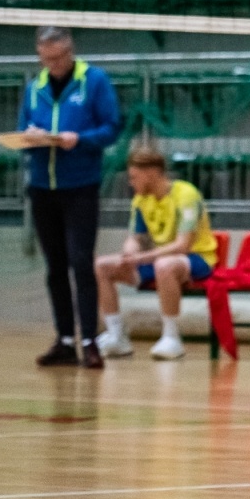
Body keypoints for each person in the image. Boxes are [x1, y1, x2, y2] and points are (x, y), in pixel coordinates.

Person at [21, 26, 122, 369]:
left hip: (80, 186)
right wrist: (31, 137)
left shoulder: (94, 80)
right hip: (41, 187)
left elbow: (112, 127)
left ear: (70, 50)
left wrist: (79, 139)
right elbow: (24, 126)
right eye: (46, 59)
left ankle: (90, 340)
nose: (53, 65)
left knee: (82, 262)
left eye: (59, 58)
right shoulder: (35, 87)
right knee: (55, 267)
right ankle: (64, 339)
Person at [94, 147, 220, 361]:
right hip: (158, 258)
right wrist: (129, 253)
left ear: (151, 173)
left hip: (196, 259)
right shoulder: (141, 200)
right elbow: (137, 237)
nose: (131, 182)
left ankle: (171, 338)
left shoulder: (186, 194)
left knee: (165, 265)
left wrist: (143, 257)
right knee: (102, 265)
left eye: (134, 177)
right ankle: (116, 335)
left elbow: (183, 245)